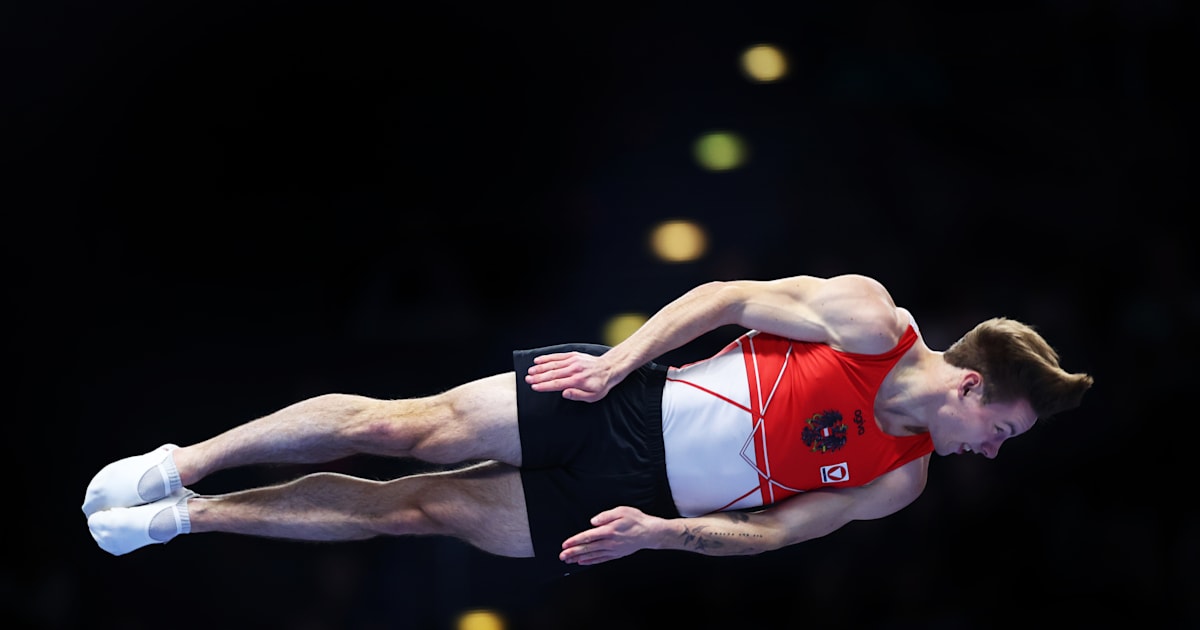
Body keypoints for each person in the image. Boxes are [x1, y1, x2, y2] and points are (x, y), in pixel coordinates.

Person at [82, 273, 1093, 571]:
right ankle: (185, 460)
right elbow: (727, 300)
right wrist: (617, 362)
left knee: (416, 513)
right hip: (622, 399)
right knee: (405, 430)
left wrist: (663, 535)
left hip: (634, 496)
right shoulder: (868, 320)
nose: (992, 451)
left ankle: (186, 519)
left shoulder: (903, 475)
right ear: (971, 386)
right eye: (1002, 429)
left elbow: (784, 530)